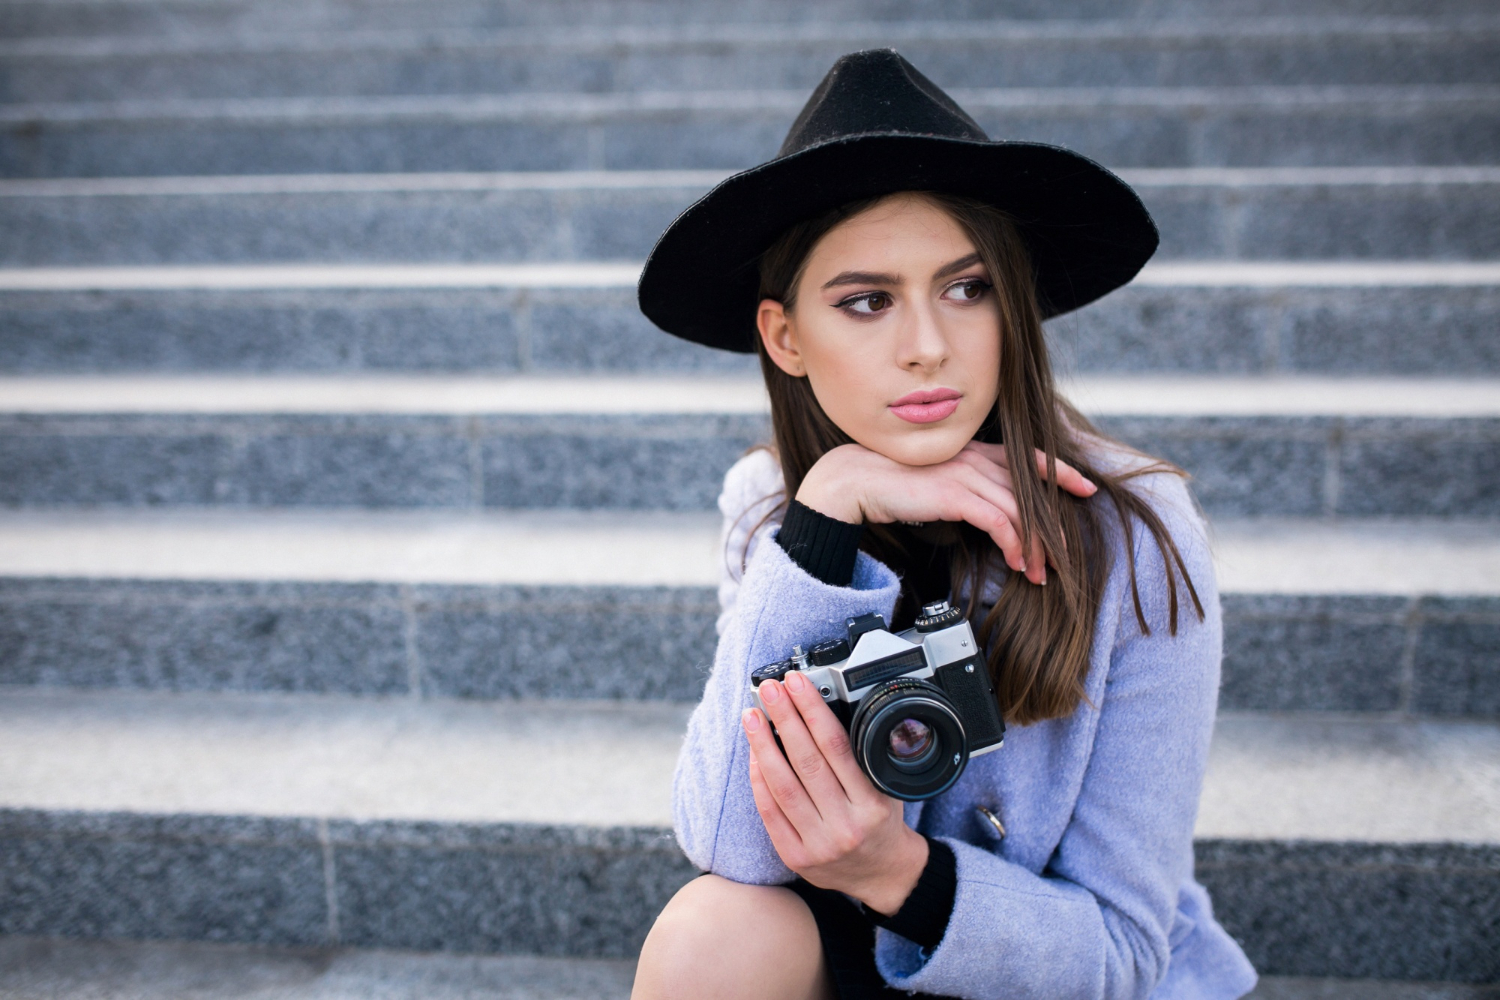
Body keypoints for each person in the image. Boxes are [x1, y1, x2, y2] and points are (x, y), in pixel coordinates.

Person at [629, 49, 1259, 1000]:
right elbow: (727, 842)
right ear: (785, 336)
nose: (927, 347)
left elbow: (1125, 953)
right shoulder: (776, 505)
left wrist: (897, 873)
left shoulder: (1134, 528)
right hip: (851, 954)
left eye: (968, 289)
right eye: (867, 302)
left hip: (1043, 967)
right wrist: (826, 514)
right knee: (710, 934)